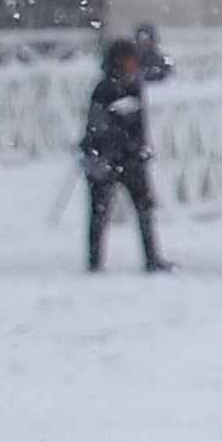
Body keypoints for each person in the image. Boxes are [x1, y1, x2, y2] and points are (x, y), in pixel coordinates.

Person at [78, 35, 169, 274]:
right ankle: (95, 262)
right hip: (106, 159)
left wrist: (141, 149)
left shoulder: (133, 86)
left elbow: (139, 125)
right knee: (100, 213)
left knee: (144, 209)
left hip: (131, 159)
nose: (135, 64)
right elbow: (98, 126)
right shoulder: (105, 89)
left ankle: (152, 257)